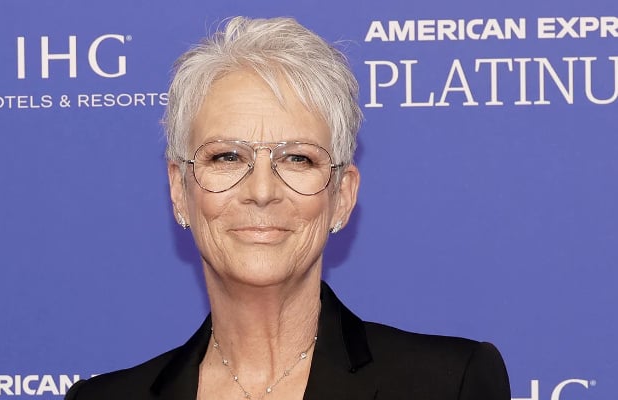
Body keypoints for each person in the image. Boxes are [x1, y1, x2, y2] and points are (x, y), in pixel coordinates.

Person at [65, 16, 510, 400]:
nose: (261, 191)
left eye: (297, 158)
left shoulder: (448, 384)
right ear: (179, 190)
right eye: (227, 156)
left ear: (342, 196)